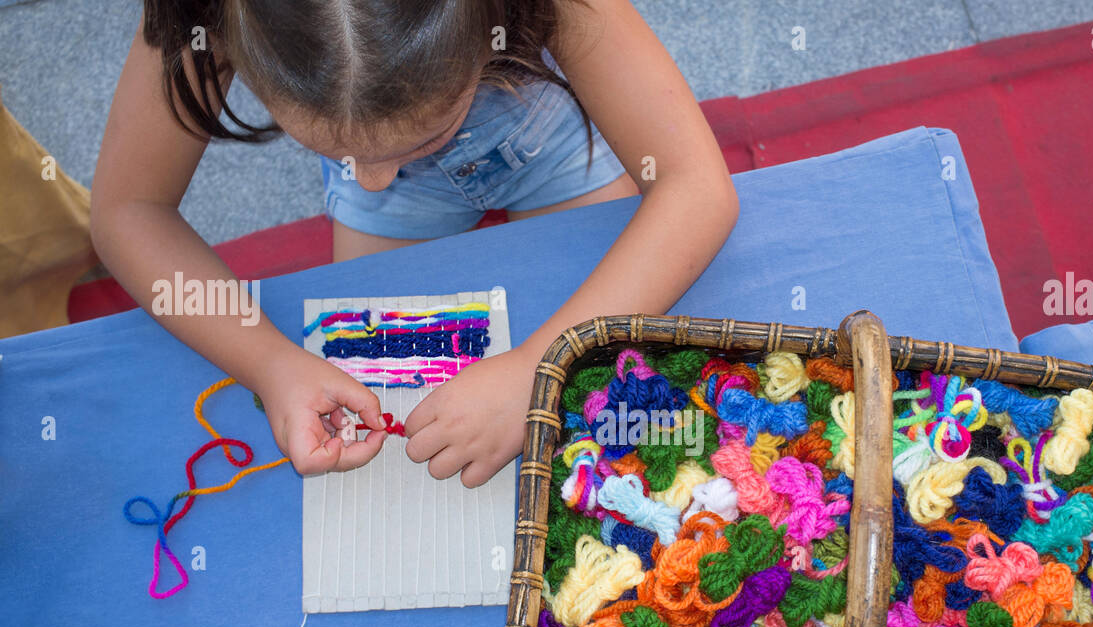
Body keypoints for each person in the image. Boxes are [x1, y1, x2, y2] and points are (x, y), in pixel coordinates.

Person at [92, 0, 738, 487]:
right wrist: (270, 362)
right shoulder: (214, 11)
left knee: (617, 311)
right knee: (378, 368)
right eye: (332, 151)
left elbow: (696, 190)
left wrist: (539, 370)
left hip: (539, 130)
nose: (372, 179)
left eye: (416, 141)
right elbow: (129, 211)